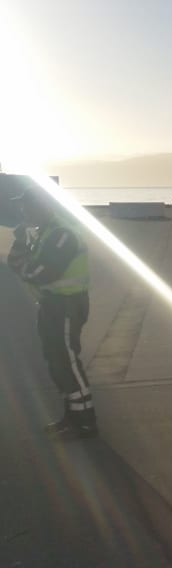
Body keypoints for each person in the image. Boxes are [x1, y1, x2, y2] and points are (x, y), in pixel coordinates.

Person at [7, 185, 97, 440]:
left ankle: (86, 421)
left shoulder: (62, 235)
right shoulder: (43, 233)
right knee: (56, 361)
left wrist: (26, 267)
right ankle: (71, 416)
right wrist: (21, 241)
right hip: (51, 305)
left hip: (67, 305)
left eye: (28, 204)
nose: (23, 210)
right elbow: (17, 265)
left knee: (67, 360)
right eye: (21, 205)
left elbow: (39, 272)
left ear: (44, 206)